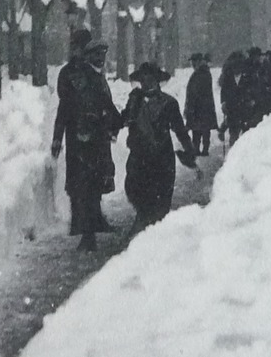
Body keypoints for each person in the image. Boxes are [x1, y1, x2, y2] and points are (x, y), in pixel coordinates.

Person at [51, 32, 120, 251]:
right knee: (81, 182)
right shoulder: (70, 73)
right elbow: (65, 107)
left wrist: (115, 120)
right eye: (79, 46)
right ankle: (81, 226)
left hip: (96, 135)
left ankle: (95, 220)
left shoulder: (93, 70)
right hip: (79, 135)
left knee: (96, 179)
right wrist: (57, 137)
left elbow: (105, 101)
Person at [119, 61, 194, 234]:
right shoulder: (134, 101)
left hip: (161, 157)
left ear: (157, 80)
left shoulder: (169, 103)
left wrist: (189, 150)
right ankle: (143, 218)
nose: (146, 82)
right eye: (143, 79)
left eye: (150, 78)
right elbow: (123, 119)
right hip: (139, 156)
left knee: (161, 195)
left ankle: (155, 232)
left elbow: (180, 130)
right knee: (134, 188)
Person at [183, 52, 218, 156]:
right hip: (202, 107)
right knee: (200, 129)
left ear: (198, 61)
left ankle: (202, 149)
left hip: (200, 107)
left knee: (200, 129)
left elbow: (195, 92)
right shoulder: (203, 72)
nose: (192, 64)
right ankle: (199, 148)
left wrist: (191, 107)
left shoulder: (201, 73)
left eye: (194, 61)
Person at [219, 49, 246, 144]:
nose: (236, 69)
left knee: (245, 132)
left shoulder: (246, 78)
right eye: (234, 67)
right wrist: (223, 103)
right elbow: (223, 91)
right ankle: (233, 150)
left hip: (244, 108)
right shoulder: (228, 78)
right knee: (233, 131)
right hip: (232, 108)